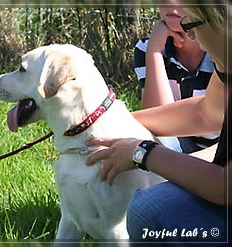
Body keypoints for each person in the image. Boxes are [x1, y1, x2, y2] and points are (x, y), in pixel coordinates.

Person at [86, 3, 231, 243]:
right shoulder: (227, 62)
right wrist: (108, 120)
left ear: (223, 21)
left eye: (193, 23)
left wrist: (142, 153)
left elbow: (223, 186)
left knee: (149, 210)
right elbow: (206, 113)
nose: (192, 35)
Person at [134, 4, 219, 154]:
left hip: (219, 156)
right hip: (179, 152)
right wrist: (154, 50)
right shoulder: (146, 47)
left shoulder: (222, 51)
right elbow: (157, 124)